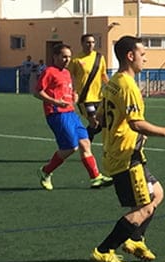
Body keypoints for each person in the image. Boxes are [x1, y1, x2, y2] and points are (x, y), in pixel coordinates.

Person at [90, 35, 165, 262]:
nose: (145, 58)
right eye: (142, 54)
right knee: (145, 207)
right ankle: (104, 250)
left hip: (123, 153)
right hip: (125, 156)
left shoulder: (113, 82)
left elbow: (100, 117)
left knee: (158, 193)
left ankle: (135, 239)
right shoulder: (128, 86)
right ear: (130, 56)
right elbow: (136, 123)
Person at [35, 43, 111, 191]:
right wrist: (55, 102)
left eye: (69, 57)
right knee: (70, 147)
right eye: (64, 57)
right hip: (57, 114)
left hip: (70, 113)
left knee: (85, 143)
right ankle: (45, 171)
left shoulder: (66, 73)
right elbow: (37, 92)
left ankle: (95, 178)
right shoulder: (49, 71)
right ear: (55, 57)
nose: (67, 60)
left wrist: (74, 96)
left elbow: (68, 90)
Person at [69, 33, 109, 140]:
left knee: (101, 124)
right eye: (88, 42)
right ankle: (83, 144)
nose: (90, 44)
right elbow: (68, 76)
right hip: (85, 98)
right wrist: (72, 91)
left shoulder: (100, 57)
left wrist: (110, 87)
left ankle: (83, 142)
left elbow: (103, 74)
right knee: (94, 122)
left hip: (99, 97)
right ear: (82, 43)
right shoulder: (76, 59)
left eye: (92, 42)